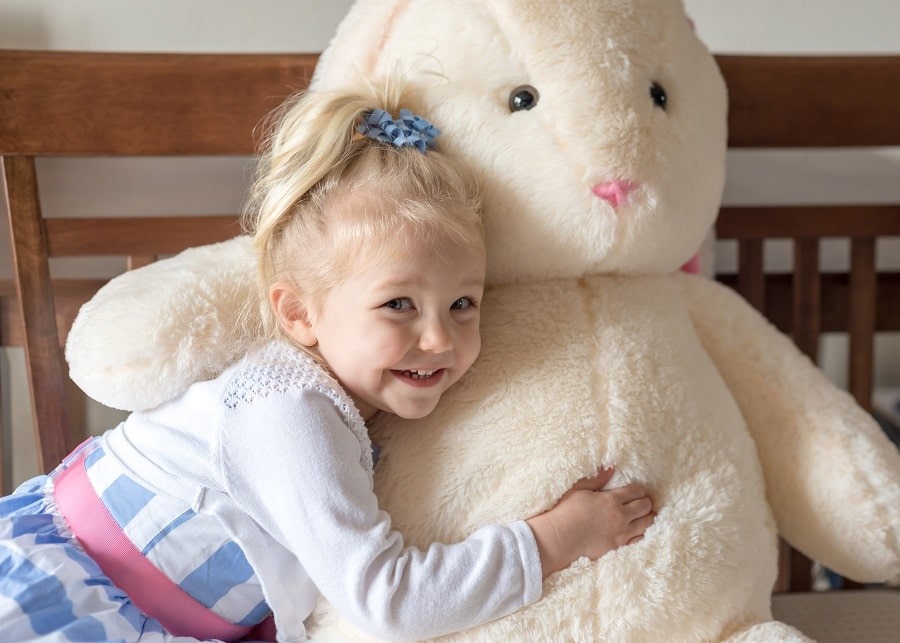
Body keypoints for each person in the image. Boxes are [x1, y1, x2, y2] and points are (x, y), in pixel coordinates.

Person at [0, 77, 655, 642]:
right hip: (78, 596)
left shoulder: (340, 399)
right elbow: (386, 598)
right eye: (399, 303)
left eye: (463, 303)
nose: (440, 339)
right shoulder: (287, 409)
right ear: (299, 315)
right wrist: (554, 539)